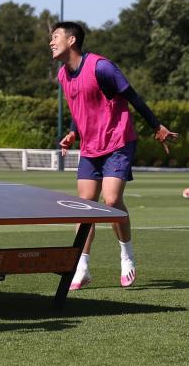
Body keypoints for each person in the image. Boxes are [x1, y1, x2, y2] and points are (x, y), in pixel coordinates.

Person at [50, 21, 177, 289]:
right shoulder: (63, 75)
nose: (51, 42)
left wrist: (157, 126)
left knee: (111, 200)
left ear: (72, 40)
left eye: (56, 36)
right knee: (84, 206)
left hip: (118, 142)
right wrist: (73, 132)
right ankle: (82, 268)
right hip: (90, 147)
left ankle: (127, 256)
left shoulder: (101, 67)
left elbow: (133, 97)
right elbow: (79, 108)